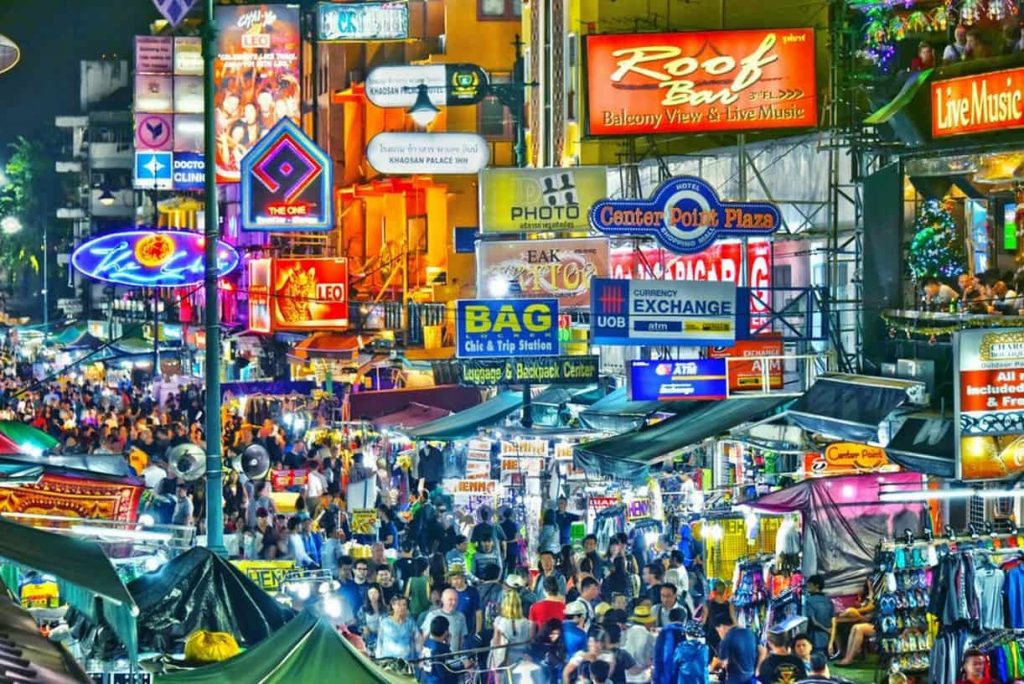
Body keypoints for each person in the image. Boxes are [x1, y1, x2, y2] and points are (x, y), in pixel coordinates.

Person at [489, 588, 532, 673]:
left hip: (505, 660)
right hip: (522, 659)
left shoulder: (500, 621)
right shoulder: (526, 622)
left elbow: (496, 644)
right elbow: (528, 641)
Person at [420, 615, 466, 684]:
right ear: (446, 632)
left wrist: (447, 644)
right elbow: (447, 673)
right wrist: (464, 666)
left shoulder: (427, 643)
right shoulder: (441, 650)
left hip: (428, 680)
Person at [712, 618, 758, 684]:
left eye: (718, 631)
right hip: (751, 676)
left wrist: (712, 668)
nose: (719, 634)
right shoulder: (750, 632)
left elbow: (722, 663)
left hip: (735, 679)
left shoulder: (727, 639)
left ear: (722, 627)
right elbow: (763, 650)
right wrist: (758, 669)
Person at [375, 595, 419, 662]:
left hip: (407, 662)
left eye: (404, 605)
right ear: (393, 606)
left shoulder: (411, 623)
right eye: (399, 605)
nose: (402, 607)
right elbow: (379, 642)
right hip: (388, 662)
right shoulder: (385, 622)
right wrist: (378, 660)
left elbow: (417, 641)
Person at [652, 609, 691, 684]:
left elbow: (658, 655)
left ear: (669, 618)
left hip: (664, 676)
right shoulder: (688, 634)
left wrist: (656, 677)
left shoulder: (663, 633)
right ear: (684, 619)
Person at [621, 605, 656, 683]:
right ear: (647, 622)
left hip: (627, 678)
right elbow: (652, 658)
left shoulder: (625, 633)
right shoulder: (649, 636)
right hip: (643, 678)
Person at [803, 575, 834, 656]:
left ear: (816, 586)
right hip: (826, 639)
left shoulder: (809, 601)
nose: (808, 587)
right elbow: (834, 623)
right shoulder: (829, 601)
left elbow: (814, 622)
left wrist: (826, 629)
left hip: (814, 638)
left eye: (810, 584)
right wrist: (829, 635)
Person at [703, 579, 736, 655]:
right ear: (724, 591)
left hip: (711, 637)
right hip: (725, 636)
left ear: (714, 591)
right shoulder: (729, 605)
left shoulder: (707, 604)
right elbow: (735, 623)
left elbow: (704, 622)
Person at [448, 565, 481, 638]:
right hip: (453, 633)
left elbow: (478, 613)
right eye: (453, 579)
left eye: (458, 578)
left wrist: (478, 633)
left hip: (469, 632)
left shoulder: (473, 592)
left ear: (463, 578)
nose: (455, 581)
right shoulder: (450, 592)